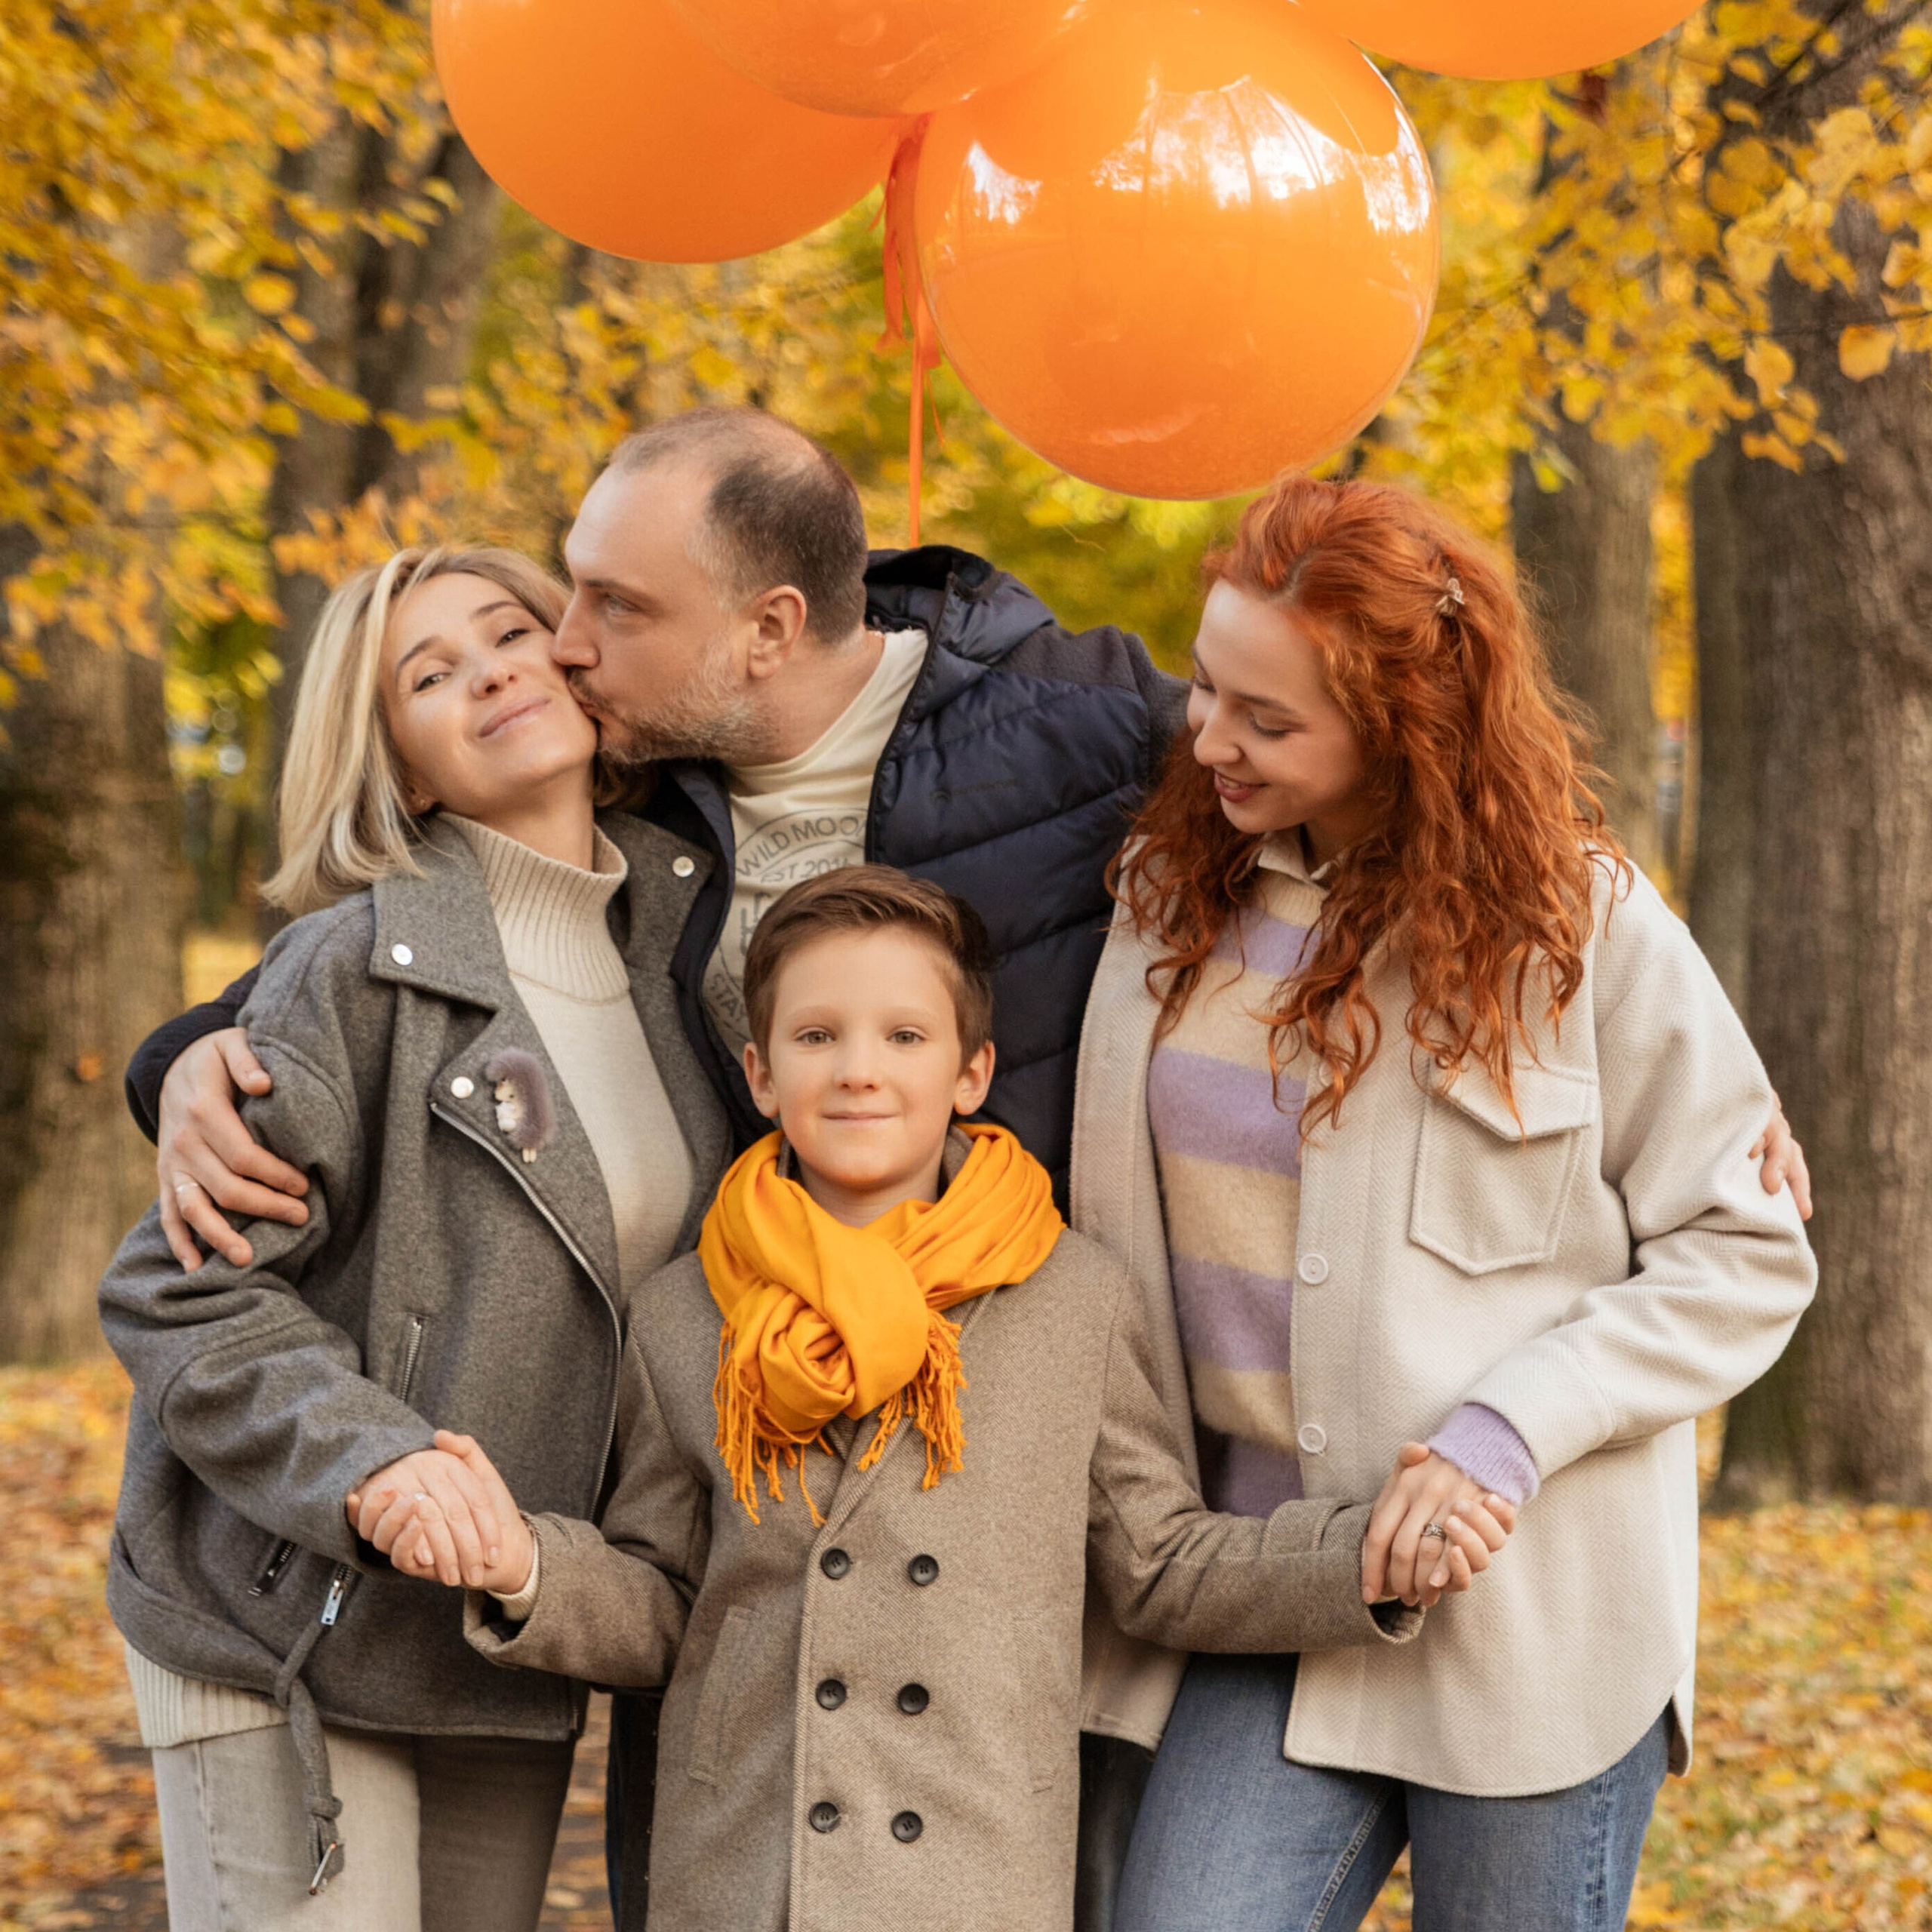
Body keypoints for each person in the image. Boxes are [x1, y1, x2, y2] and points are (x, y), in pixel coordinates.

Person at [118, 408, 1816, 1928]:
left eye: (604, 609)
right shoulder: (1131, 875)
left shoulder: (1127, 760)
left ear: (768, 624)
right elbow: (444, 913)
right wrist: (200, 1044)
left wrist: (1654, 1171)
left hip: (1431, 1573)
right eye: (1206, 697)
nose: (558, 655)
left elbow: (1687, 1169)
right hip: (1117, 1554)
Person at [371, 866, 1515, 1932]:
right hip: (746, 1869)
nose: (858, 1069)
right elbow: (668, 1600)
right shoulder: (684, 1314)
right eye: (816, 1037)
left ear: (970, 1071)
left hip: (970, 1866)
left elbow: (1160, 1567)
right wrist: (522, 1564)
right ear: (762, 1074)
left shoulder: (1072, 1297)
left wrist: (1363, 1558)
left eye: (904, 1036)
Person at [1065, 474, 1819, 1932]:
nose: (1211, 737)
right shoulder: (1164, 903)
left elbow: (1743, 1251)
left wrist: (1499, 1441)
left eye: (1268, 720)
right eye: (1208, 687)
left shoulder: (1580, 929)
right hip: (1265, 1601)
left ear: (1406, 728)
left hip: (1536, 1624)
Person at [97, 547, 729, 1932]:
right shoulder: (352, 968)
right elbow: (180, 1294)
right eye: (430, 675)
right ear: (402, 767)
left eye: (510, 631)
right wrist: (372, 1462)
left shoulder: (686, 957)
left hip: (497, 1629)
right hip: (284, 1615)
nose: (491, 669)